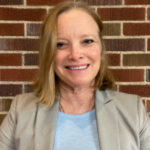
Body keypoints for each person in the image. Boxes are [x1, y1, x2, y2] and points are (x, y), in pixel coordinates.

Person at [0, 1, 150, 150]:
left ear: (100, 49)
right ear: (49, 53)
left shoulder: (133, 111)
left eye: (87, 41)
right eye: (61, 44)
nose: (75, 54)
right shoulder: (21, 111)